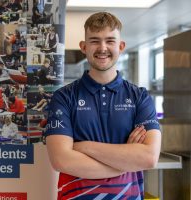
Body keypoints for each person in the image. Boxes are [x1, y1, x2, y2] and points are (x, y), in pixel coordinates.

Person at [44, 12, 161, 199]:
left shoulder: (140, 97)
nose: (102, 48)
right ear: (84, 47)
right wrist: (126, 160)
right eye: (95, 41)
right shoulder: (64, 97)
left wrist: (83, 147)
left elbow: (148, 157)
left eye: (110, 40)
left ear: (121, 46)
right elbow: (61, 160)